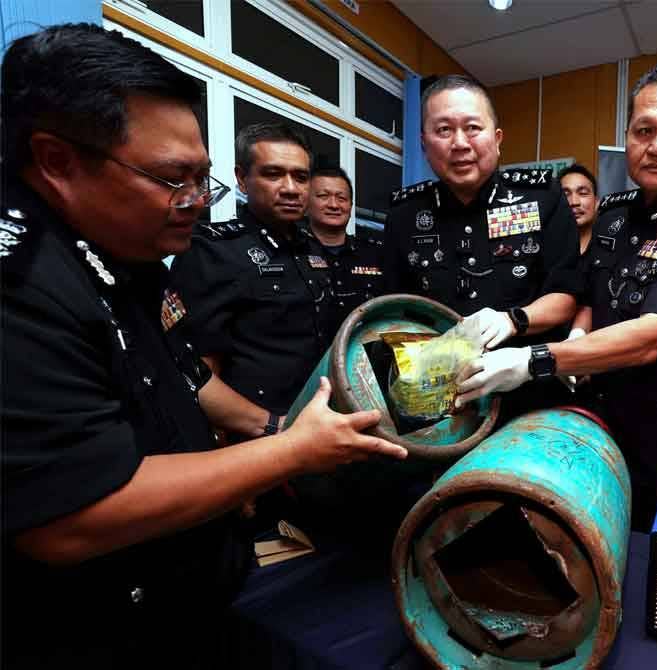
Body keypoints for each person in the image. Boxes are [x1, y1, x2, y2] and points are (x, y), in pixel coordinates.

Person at [1, 24, 405, 669]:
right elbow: (70, 519)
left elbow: (185, 381)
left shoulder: (130, 253)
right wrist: (291, 450)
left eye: (202, 180)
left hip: (196, 577)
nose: (192, 202)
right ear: (58, 161)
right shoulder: (20, 284)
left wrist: (276, 436)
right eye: (171, 179)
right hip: (100, 624)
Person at [456, 63, 657, 529]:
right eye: (644, 131)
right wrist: (577, 332)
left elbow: (652, 337)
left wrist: (534, 361)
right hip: (602, 425)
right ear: (628, 137)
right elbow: (594, 294)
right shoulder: (614, 217)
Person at [382, 74, 582, 418]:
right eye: (443, 130)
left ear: (497, 138)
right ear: (424, 143)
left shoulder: (542, 197)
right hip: (439, 400)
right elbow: (393, 311)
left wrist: (514, 320)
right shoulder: (404, 214)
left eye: (473, 128)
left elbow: (565, 295)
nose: (459, 143)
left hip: (528, 393)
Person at [169, 123, 339, 440]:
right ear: (241, 179)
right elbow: (192, 370)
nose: (290, 188)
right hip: (257, 436)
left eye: (301, 177)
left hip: (317, 424)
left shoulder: (312, 250)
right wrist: (277, 427)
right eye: (273, 174)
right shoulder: (213, 250)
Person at [305, 157, 385, 331]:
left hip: (363, 354)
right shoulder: (293, 253)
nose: (334, 205)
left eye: (342, 198)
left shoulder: (376, 254)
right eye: (323, 196)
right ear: (306, 202)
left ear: (350, 205)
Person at [558, 163, 599, 254]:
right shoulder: (545, 249)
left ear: (596, 202)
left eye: (583, 193)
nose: (574, 202)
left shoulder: (612, 249)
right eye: (565, 195)